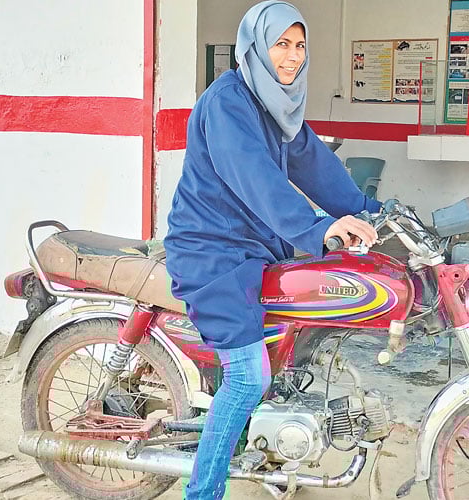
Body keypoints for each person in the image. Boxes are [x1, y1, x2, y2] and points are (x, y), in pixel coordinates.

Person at [164, 2, 380, 499]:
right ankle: (203, 492)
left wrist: (371, 209)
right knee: (247, 376)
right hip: (212, 250)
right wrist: (317, 226)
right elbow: (255, 180)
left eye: (299, 45)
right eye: (281, 43)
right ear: (256, 46)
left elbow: (315, 164)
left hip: (253, 244)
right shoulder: (228, 102)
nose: (291, 56)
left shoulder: (278, 104)